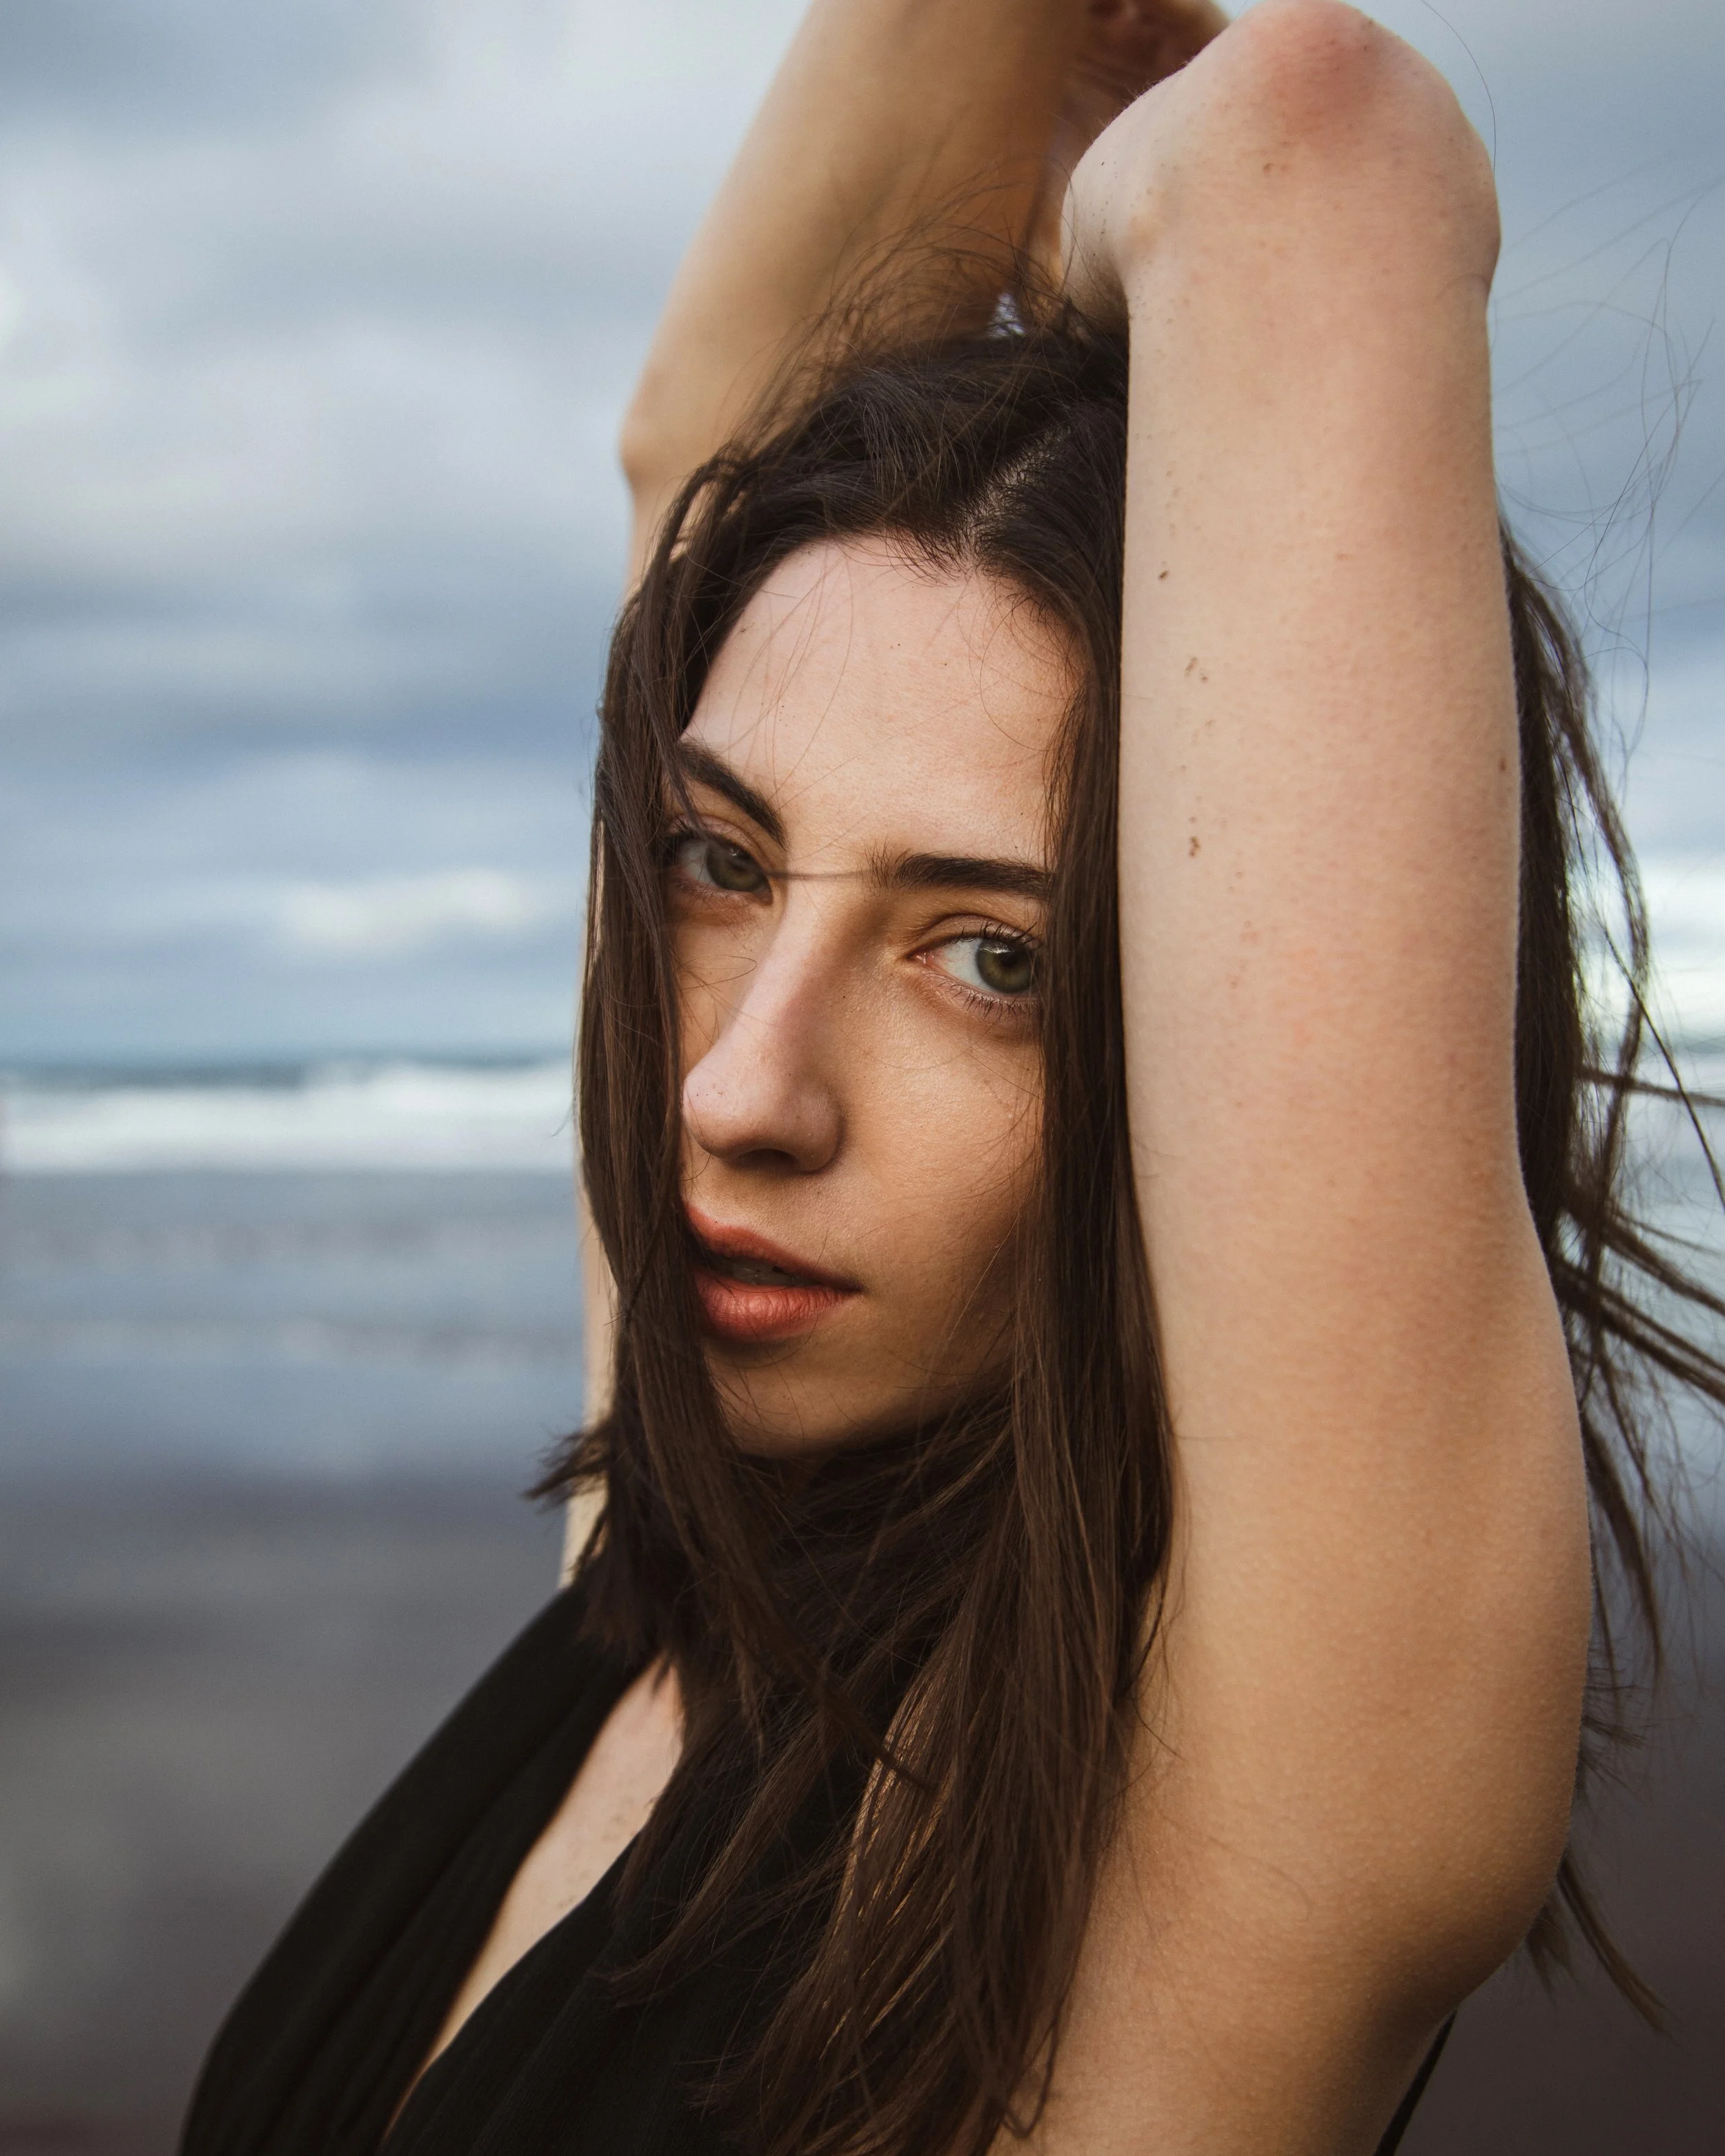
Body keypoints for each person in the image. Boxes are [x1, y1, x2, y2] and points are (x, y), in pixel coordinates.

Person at [179, 3, 1723, 2153]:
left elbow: (1315, 151)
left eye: (987, 958)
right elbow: (703, 430)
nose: (735, 1089)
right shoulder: (670, 1535)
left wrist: (1124, 261)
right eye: (719, 861)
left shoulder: (1218, 1860)